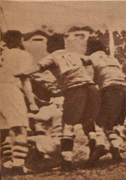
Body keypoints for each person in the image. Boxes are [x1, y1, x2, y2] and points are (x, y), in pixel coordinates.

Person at [15, 33, 103, 171]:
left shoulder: (51, 57)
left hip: (75, 89)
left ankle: (67, 160)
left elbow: (37, 67)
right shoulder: (74, 55)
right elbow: (90, 60)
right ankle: (96, 142)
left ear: (50, 46)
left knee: (67, 125)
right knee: (87, 121)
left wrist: (23, 73)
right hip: (91, 87)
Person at [84, 37, 126, 162]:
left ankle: (100, 145)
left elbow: (90, 79)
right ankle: (115, 148)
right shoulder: (113, 58)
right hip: (124, 91)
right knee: (110, 124)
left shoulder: (91, 58)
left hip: (109, 89)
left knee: (96, 120)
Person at [0, 30, 38, 175]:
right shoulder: (23, 54)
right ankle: (18, 164)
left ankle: (8, 163)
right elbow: (25, 78)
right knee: (21, 128)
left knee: (4, 130)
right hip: (11, 89)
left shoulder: (2, 54)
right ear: (20, 40)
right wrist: (32, 102)